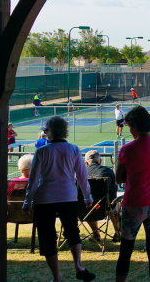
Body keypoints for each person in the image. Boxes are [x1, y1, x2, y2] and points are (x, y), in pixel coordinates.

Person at [22, 116, 96, 282]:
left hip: (44, 198)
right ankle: (79, 266)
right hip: (68, 195)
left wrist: (27, 202)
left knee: (47, 237)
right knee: (72, 231)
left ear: (49, 132)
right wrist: (87, 196)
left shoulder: (42, 151)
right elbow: (82, 176)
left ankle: (57, 277)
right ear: (65, 131)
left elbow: (33, 180)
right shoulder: (74, 149)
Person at [115, 105, 150, 282]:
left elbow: (119, 178)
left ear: (135, 126)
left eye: (129, 126)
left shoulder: (127, 149)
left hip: (134, 204)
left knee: (126, 250)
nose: (129, 130)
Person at [84, 150, 121, 242]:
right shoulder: (108, 171)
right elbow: (114, 190)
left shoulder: (82, 173)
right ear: (100, 161)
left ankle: (96, 234)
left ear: (86, 163)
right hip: (107, 207)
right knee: (116, 205)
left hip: (87, 209)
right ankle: (118, 233)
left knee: (88, 207)